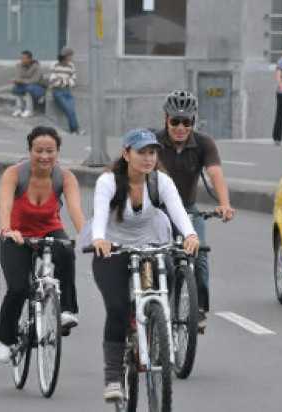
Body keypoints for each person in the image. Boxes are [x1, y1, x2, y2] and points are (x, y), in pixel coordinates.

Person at [89, 128, 199, 401]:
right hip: (113, 247)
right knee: (116, 309)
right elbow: (100, 214)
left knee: (170, 273)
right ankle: (113, 377)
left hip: (151, 242)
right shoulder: (109, 181)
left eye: (152, 153)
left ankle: (158, 326)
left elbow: (177, 210)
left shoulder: (160, 181)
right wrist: (99, 239)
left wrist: (190, 234)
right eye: (141, 152)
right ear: (126, 154)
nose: (148, 158)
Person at [0, 126, 85, 362]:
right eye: (39, 150)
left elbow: (75, 211)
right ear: (30, 150)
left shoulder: (65, 178)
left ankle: (66, 309)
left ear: (58, 152)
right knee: (18, 289)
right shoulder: (15, 174)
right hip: (17, 235)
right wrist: (7, 230)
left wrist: (88, 236)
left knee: (66, 249)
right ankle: (5, 339)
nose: (44, 156)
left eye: (50, 151)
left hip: (49, 231)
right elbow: (5, 206)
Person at [156, 89, 235, 331]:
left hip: (189, 209)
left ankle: (198, 309)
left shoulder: (204, 143)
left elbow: (215, 173)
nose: (180, 127)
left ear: (194, 121)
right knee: (159, 257)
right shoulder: (152, 142)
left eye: (186, 122)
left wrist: (224, 204)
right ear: (166, 119)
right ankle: (150, 302)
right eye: (175, 121)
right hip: (158, 211)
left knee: (199, 253)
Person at [49, 47, 84, 135]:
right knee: (68, 109)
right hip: (57, 91)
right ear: (65, 56)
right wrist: (65, 81)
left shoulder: (71, 65)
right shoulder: (55, 65)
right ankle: (75, 130)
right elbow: (53, 79)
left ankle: (74, 130)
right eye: (70, 56)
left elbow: (73, 79)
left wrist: (63, 81)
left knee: (71, 110)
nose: (71, 58)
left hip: (67, 91)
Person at [12, 50, 45, 118]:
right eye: (21, 58)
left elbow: (35, 80)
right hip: (25, 85)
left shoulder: (37, 67)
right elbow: (18, 77)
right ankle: (19, 109)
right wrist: (18, 81)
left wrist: (21, 81)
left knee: (29, 88)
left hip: (38, 87)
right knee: (16, 88)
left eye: (24, 58)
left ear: (30, 59)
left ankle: (29, 110)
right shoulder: (19, 66)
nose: (22, 60)